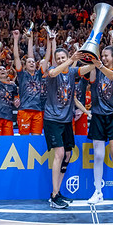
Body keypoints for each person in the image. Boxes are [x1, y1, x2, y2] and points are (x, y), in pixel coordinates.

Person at [86, 45, 113, 205]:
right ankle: (98, 192)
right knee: (98, 156)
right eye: (102, 55)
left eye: (106, 55)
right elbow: (92, 70)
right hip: (98, 115)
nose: (103, 58)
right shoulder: (95, 70)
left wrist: (100, 66)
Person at [42, 48, 84, 209]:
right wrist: (70, 59)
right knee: (59, 153)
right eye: (58, 58)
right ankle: (53, 196)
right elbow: (52, 73)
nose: (60, 60)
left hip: (66, 120)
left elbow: (85, 69)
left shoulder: (72, 72)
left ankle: (57, 192)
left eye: (63, 57)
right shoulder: (53, 70)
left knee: (67, 154)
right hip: (52, 119)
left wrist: (95, 61)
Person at [12, 29, 48, 135]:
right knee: (24, 138)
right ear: (25, 65)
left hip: (37, 110)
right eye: (29, 62)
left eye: (33, 62)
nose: (31, 63)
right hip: (24, 110)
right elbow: (16, 57)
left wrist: (49, 42)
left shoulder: (39, 74)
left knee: (36, 138)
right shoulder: (22, 74)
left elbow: (46, 59)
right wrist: (15, 39)